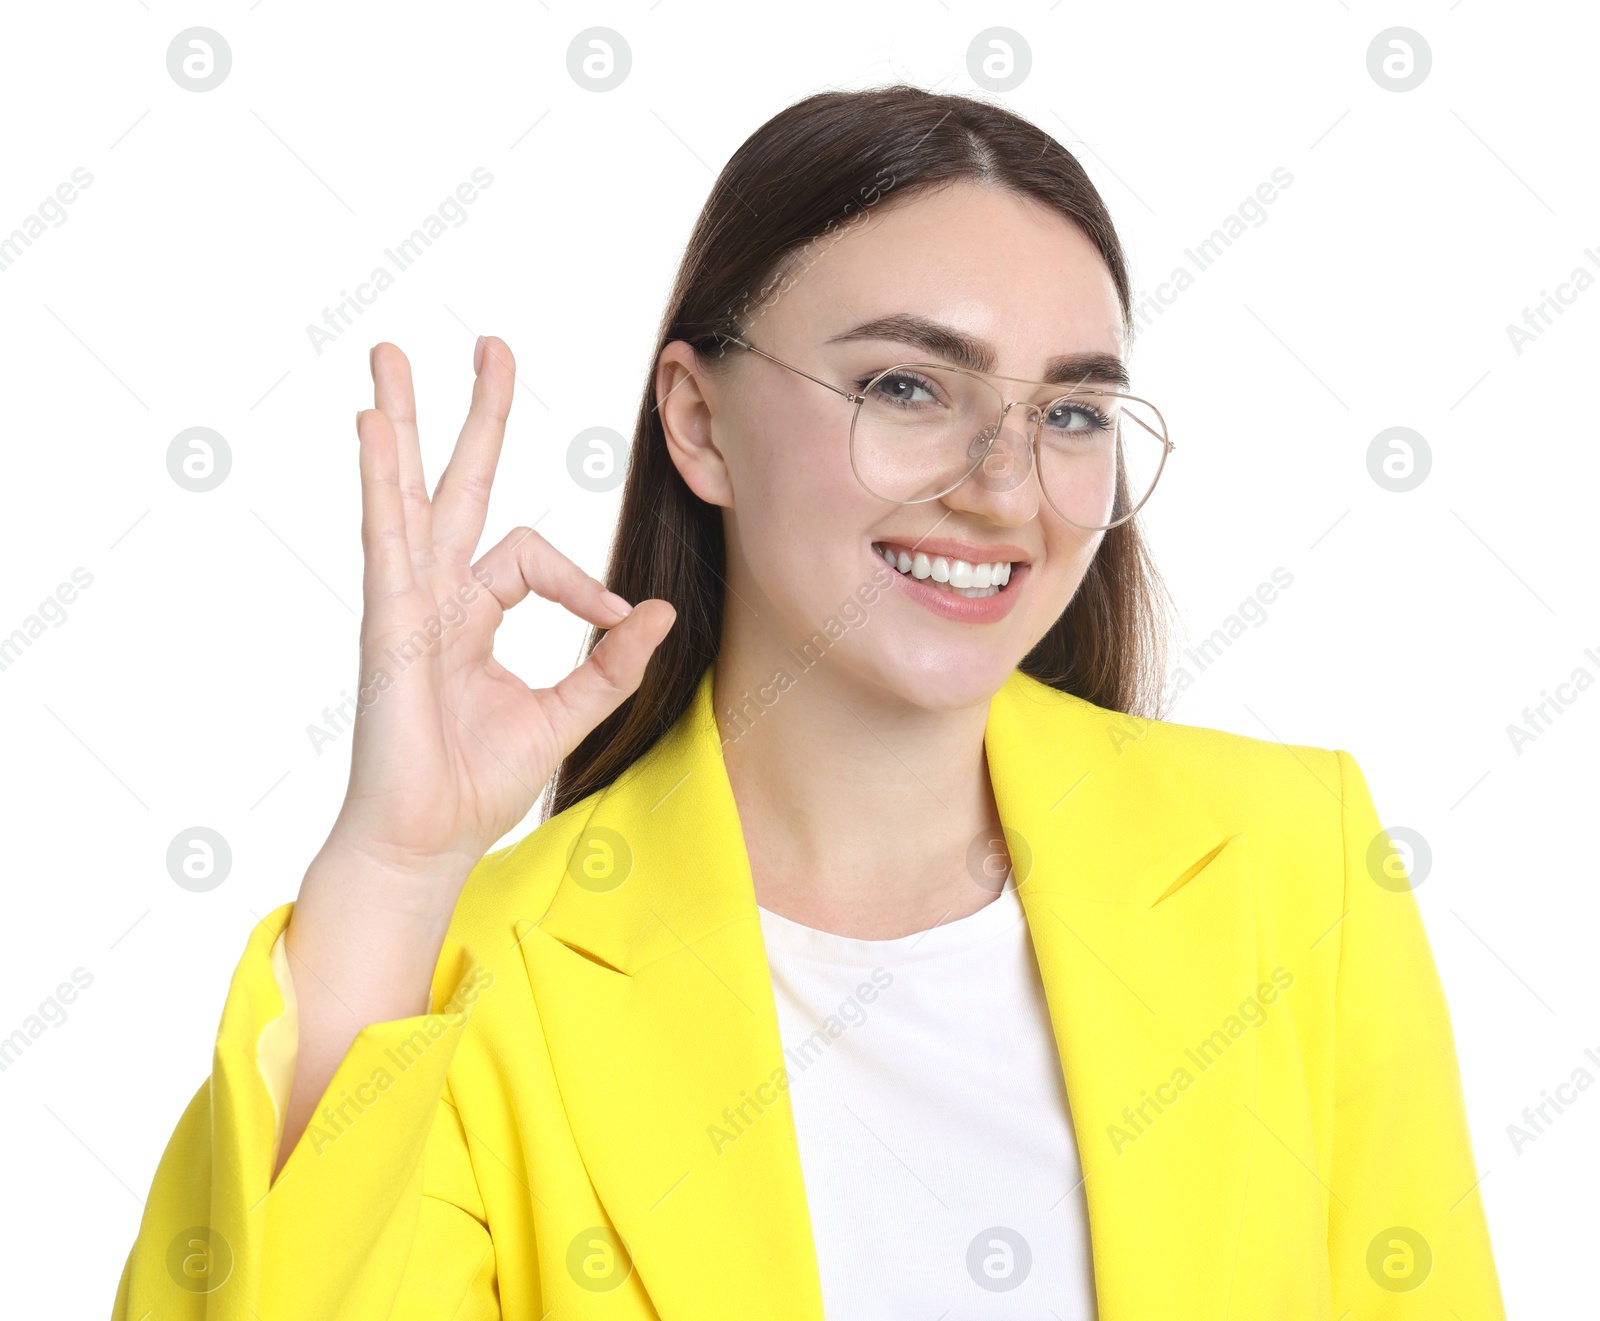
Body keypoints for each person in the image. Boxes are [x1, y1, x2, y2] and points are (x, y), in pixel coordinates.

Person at [111, 84, 1506, 1319]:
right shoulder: (479, 972)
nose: (1005, 485)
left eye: (1071, 411)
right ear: (698, 421)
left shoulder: (1289, 859)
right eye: (909, 384)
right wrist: (395, 871)